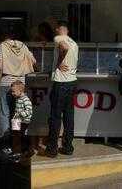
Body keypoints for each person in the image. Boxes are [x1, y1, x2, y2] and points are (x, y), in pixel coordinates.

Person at [44, 21, 79, 157]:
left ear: (59, 29)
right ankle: (68, 146)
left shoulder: (59, 38)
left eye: (56, 29)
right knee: (69, 116)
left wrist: (58, 62)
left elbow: (63, 47)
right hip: (72, 82)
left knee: (55, 116)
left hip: (61, 82)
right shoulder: (74, 43)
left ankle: (52, 148)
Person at [0, 32, 36, 135]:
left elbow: (0, 66)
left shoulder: (1, 47)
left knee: (5, 112)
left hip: (6, 82)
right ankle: (17, 138)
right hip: (20, 83)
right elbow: (34, 61)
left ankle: (6, 139)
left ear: (4, 37)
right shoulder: (23, 46)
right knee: (17, 112)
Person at [11, 80, 33, 154]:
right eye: (12, 91)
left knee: (22, 135)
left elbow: (29, 111)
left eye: (14, 91)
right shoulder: (18, 98)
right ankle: (16, 149)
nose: (12, 93)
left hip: (24, 121)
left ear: (20, 91)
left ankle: (28, 149)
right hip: (18, 120)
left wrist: (20, 114)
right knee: (16, 134)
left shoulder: (25, 99)